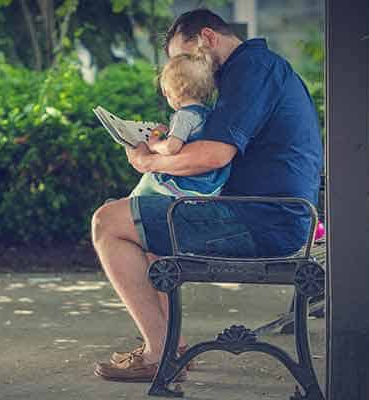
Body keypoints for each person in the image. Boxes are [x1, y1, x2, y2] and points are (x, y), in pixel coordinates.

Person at [92, 8, 322, 382]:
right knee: (142, 223)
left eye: (185, 56)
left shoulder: (252, 71)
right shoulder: (249, 71)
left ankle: (157, 354)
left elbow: (214, 155)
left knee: (107, 222)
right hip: (267, 214)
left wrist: (148, 163)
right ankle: (172, 348)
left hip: (263, 221)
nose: (185, 69)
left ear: (208, 37)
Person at [131, 50, 230, 198]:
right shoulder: (208, 113)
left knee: (150, 178)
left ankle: (129, 202)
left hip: (191, 184)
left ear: (169, 92)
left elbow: (172, 147)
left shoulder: (184, 116)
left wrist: (154, 143)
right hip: (210, 182)